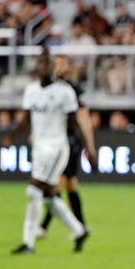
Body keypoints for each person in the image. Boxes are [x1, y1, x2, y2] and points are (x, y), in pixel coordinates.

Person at [3, 50, 95, 255]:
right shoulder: (31, 90)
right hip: (39, 148)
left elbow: (76, 123)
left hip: (57, 147)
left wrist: (88, 149)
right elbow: (26, 118)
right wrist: (11, 137)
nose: (42, 67)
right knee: (48, 195)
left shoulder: (65, 92)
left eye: (47, 64)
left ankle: (28, 243)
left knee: (33, 190)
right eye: (40, 63)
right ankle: (79, 230)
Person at [37, 55, 98, 242]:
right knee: (70, 185)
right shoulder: (48, 89)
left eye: (62, 64)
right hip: (54, 141)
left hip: (69, 142)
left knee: (57, 184)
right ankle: (81, 227)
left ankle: (43, 227)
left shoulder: (73, 89)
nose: (58, 67)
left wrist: (90, 146)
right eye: (56, 64)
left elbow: (84, 118)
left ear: (68, 68)